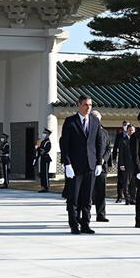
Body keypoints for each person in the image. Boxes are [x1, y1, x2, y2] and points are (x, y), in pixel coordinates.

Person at [59, 94, 106, 234]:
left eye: (90, 105)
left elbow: (99, 143)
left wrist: (99, 162)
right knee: (73, 197)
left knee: (87, 197)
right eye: (85, 105)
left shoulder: (95, 121)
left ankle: (85, 223)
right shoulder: (70, 121)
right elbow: (64, 145)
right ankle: (74, 224)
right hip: (74, 166)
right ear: (79, 105)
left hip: (90, 165)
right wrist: (67, 164)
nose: (88, 107)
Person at [90, 110, 112, 223]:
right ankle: (86, 215)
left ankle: (101, 214)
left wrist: (103, 159)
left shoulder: (105, 133)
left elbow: (108, 148)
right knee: (88, 192)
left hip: (102, 167)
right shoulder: (87, 131)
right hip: (90, 166)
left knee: (101, 192)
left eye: (97, 118)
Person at [114, 121, 131, 204]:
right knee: (120, 179)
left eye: (127, 125)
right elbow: (115, 147)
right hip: (121, 159)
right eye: (124, 125)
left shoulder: (132, 136)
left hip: (129, 161)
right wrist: (114, 158)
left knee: (129, 180)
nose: (125, 126)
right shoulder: (119, 135)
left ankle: (129, 197)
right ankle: (119, 196)